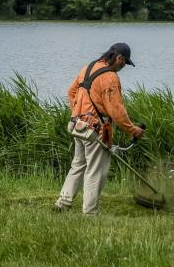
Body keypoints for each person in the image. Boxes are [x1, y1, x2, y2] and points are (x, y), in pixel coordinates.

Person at [54, 42, 145, 214]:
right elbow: (116, 111)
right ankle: (90, 212)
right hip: (95, 129)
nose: (123, 67)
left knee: (78, 165)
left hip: (77, 125)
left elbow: (71, 92)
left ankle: (63, 203)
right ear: (118, 58)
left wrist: (79, 112)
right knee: (95, 171)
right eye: (124, 63)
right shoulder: (110, 77)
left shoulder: (88, 68)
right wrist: (133, 130)